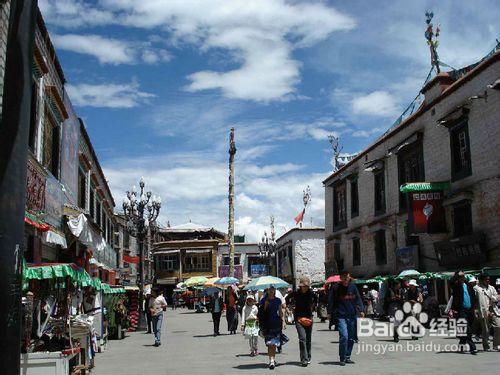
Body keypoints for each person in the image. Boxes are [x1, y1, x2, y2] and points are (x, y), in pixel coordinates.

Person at [328, 270, 364, 366]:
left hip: (352, 315)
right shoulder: (336, 288)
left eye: (347, 277)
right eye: (344, 277)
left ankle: (347, 356)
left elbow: (358, 298)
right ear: (340, 278)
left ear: (349, 277)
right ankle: (342, 357)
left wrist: (361, 309)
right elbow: (331, 300)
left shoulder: (353, 287)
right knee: (344, 336)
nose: (346, 279)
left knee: (351, 337)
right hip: (341, 316)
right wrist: (329, 312)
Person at [286, 277, 317, 367]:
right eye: (304, 286)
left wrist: (313, 307)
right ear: (301, 286)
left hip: (309, 318)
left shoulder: (311, 293)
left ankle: (308, 356)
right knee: (302, 338)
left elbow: (316, 299)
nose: (305, 287)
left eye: (307, 286)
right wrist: (290, 306)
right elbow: (287, 298)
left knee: (308, 339)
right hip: (299, 318)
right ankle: (304, 359)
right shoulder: (296, 293)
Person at [450, 271, 477, 354]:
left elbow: (473, 297)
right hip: (461, 310)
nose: (462, 278)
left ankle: (461, 344)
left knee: (466, 328)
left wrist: (475, 308)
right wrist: (457, 274)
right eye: (460, 277)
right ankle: (472, 347)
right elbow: (451, 281)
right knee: (467, 328)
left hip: (470, 310)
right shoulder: (456, 286)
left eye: (463, 277)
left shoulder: (468, 286)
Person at [259, 285, 285, 370]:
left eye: (272, 289)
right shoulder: (263, 300)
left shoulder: (278, 300)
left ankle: (272, 360)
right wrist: (265, 306)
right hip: (267, 324)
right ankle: (271, 359)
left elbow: (280, 312)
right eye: (269, 289)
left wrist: (283, 321)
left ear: (275, 290)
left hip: (276, 323)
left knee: (273, 343)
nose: (271, 291)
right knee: (270, 343)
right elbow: (261, 313)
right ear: (267, 291)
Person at [474, 273, 500, 351]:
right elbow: (475, 300)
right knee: (486, 329)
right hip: (483, 310)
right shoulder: (476, 288)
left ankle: (496, 345)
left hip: (494, 310)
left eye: (488, 279)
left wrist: (492, 298)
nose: (488, 281)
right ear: (481, 280)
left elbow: (497, 297)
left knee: (498, 326)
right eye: (486, 279)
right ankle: (486, 346)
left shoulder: (491, 288)